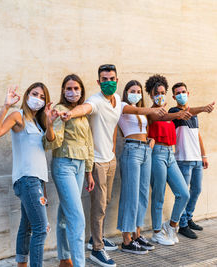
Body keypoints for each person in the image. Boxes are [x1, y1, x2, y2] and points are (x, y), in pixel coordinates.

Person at [60, 65, 166, 267]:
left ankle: (94, 238)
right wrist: (70, 114)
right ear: (98, 82)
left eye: (112, 78)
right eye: (104, 79)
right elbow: (85, 108)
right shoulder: (95, 101)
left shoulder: (117, 100)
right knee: (99, 206)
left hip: (111, 160)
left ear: (117, 80)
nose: (108, 81)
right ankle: (97, 250)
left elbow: (135, 109)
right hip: (97, 161)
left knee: (106, 201)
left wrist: (153, 110)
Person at [145, 75, 214, 246]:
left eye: (163, 92)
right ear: (151, 95)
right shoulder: (152, 112)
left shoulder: (171, 112)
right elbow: (162, 117)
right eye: (157, 93)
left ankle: (171, 225)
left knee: (184, 193)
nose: (160, 95)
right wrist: (195, 110)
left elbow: (182, 115)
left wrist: (201, 109)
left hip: (170, 154)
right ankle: (156, 232)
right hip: (157, 155)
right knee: (159, 196)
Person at [0, 83, 51, 267]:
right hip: (27, 180)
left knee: (28, 225)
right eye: (34, 94)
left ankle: (21, 264)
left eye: (42, 96)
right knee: (41, 229)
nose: (38, 98)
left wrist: (43, 188)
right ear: (26, 95)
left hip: (37, 181)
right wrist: (6, 106)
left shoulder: (39, 124)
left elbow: (39, 158)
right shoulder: (18, 117)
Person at [43, 74, 95, 267]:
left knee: (66, 213)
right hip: (64, 164)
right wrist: (54, 122)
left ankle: (65, 258)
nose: (73, 92)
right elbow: (53, 142)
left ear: (81, 91)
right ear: (63, 91)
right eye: (69, 89)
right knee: (77, 217)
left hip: (81, 166)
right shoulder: (59, 110)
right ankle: (79, 264)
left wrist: (89, 171)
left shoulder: (82, 112)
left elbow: (89, 142)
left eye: (76, 88)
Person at [116, 80, 157, 255]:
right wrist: (153, 110)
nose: (136, 93)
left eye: (139, 91)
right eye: (133, 90)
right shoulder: (123, 105)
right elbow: (138, 111)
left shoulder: (141, 112)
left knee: (142, 195)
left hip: (145, 150)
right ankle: (126, 240)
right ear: (126, 92)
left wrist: (149, 139)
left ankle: (137, 234)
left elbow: (143, 127)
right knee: (130, 195)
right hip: (131, 150)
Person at [169, 82, 209, 239]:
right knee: (184, 193)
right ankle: (183, 224)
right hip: (183, 159)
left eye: (183, 91)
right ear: (173, 96)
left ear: (188, 92)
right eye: (177, 93)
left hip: (197, 159)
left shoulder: (194, 115)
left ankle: (189, 217)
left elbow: (197, 135)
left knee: (197, 190)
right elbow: (188, 111)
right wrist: (204, 108)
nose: (181, 94)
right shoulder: (175, 112)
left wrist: (204, 156)